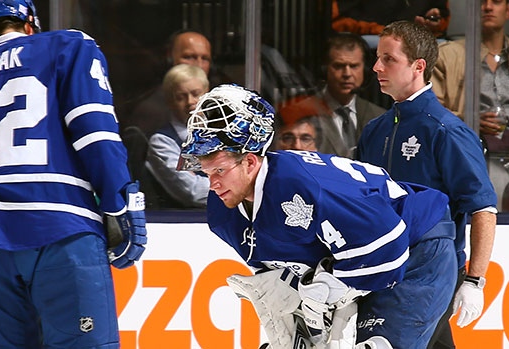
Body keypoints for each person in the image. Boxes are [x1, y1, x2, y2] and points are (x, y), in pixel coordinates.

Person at [0, 0, 147, 347]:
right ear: (29, 24)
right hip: (61, 233)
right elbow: (95, 132)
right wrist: (120, 203)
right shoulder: (68, 46)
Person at [179, 84, 457, 348]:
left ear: (250, 161)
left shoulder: (301, 186)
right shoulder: (223, 213)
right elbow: (289, 271)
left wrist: (331, 287)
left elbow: (390, 248)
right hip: (374, 258)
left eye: (219, 171)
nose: (212, 184)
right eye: (206, 172)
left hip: (418, 247)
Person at [357, 20, 497, 349]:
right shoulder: (374, 130)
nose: (376, 66)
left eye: (388, 59)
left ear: (418, 66)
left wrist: (474, 280)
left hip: (432, 273)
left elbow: (482, 208)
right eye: (378, 57)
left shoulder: (446, 131)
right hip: (382, 268)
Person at [431, 0, 509, 211]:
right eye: (482, 2)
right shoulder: (448, 55)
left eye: (496, 1)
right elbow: (429, 114)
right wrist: (469, 120)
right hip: (468, 156)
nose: (488, 7)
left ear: (508, 10)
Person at [124, 30, 212, 137]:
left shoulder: (219, 104)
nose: (198, 65)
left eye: (205, 59)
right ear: (170, 58)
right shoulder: (151, 110)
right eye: (189, 57)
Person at [145, 63, 210, 208]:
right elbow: (194, 192)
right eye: (181, 97)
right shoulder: (162, 142)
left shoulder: (223, 132)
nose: (190, 102)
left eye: (196, 94)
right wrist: (239, 187)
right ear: (169, 101)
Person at [319, 32, 386, 157]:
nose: (347, 74)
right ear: (325, 69)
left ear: (365, 69)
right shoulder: (301, 114)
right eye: (339, 66)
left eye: (354, 66)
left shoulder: (380, 117)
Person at [332, 0, 451, 41]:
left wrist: (435, 23)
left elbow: (442, 21)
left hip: (420, 40)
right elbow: (337, 21)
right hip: (372, 39)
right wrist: (383, 30)